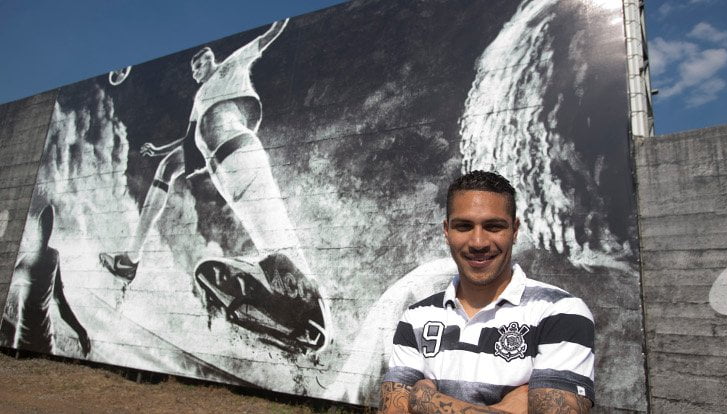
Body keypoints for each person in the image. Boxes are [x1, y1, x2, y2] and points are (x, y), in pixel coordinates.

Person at [99, 18, 333, 352]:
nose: (196, 68)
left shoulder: (233, 65)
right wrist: (159, 149)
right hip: (222, 171)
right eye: (192, 66)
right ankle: (130, 260)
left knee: (275, 235)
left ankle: (311, 311)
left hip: (242, 155)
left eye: (200, 60)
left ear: (212, 57)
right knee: (168, 168)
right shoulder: (199, 98)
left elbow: (269, 35)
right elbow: (188, 139)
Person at [380, 170, 594, 413]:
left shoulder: (560, 313)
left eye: (493, 226)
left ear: (514, 230)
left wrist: (424, 400)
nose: (478, 242)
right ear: (446, 231)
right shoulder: (416, 317)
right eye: (464, 226)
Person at [9, 205, 91, 356]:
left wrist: (81, 331)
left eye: (48, 226)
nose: (46, 230)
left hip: (41, 341)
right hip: (32, 341)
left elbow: (60, 300)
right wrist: (81, 331)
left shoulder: (44, 258)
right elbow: (60, 302)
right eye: (46, 225)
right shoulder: (40, 259)